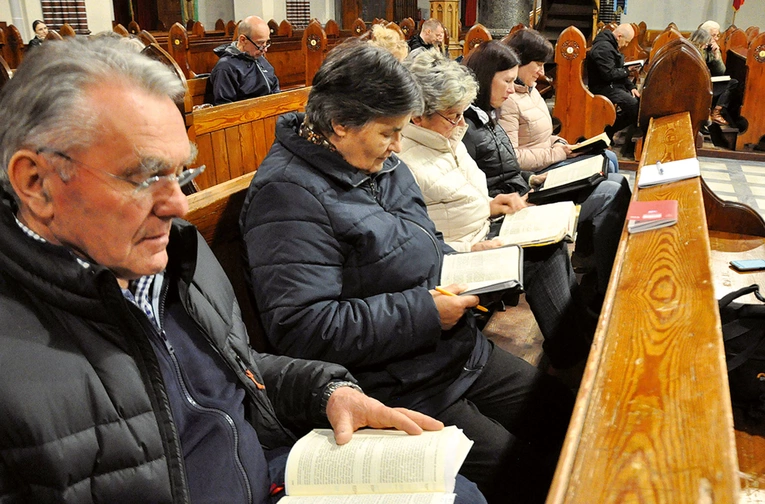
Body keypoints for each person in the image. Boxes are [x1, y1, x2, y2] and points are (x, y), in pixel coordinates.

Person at [0, 36, 483, 503]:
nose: (178, 207)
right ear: (36, 183)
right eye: (145, 176)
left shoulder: (175, 256)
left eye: (181, 175)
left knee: (456, 490)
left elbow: (232, 372)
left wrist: (326, 391)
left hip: (265, 472)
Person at [240, 40, 576, 504]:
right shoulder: (287, 195)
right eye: (388, 132)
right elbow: (302, 328)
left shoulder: (380, 163)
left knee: (571, 416)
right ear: (339, 123)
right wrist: (424, 312)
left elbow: (416, 241)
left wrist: (465, 255)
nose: (399, 146)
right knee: (531, 475)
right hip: (398, 386)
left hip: (455, 352)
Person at [399, 48, 593, 369]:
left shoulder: (447, 136)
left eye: (463, 112)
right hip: (457, 259)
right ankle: (575, 359)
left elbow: (454, 200)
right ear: (417, 114)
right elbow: (413, 240)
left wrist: (491, 205)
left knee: (551, 240)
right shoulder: (406, 160)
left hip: (483, 232)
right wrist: (470, 246)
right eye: (453, 114)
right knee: (541, 256)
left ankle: (576, 335)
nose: (462, 122)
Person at [462, 40, 631, 302]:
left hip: (527, 189)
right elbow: (479, 181)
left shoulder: (490, 114)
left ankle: (602, 276)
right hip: (513, 206)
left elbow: (505, 164)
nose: (512, 88)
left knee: (614, 179)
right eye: (507, 81)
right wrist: (545, 167)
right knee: (610, 191)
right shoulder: (468, 126)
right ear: (486, 79)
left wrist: (534, 176)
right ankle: (607, 287)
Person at [499, 29, 619, 174]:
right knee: (605, 167)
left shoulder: (531, 90)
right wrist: (558, 153)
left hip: (548, 159)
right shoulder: (507, 99)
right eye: (538, 64)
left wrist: (560, 143)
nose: (542, 72)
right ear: (519, 61)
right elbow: (512, 157)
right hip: (535, 172)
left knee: (609, 157)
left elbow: (541, 138)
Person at [208, 15, 280, 105]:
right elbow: (225, 107)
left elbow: (275, 90)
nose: (265, 50)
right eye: (260, 43)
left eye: (266, 43)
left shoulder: (259, 58)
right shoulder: (226, 67)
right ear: (243, 40)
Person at [586, 23, 640, 141]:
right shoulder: (603, 48)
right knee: (634, 106)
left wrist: (631, 87)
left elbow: (617, 71)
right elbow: (608, 74)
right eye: (626, 42)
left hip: (611, 85)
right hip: (602, 88)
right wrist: (627, 71)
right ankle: (606, 132)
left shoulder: (610, 45)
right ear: (619, 36)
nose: (625, 45)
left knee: (637, 101)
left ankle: (609, 131)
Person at [691, 25, 739, 126]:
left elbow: (721, 71)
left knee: (733, 83)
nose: (716, 39)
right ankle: (710, 113)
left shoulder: (711, 48)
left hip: (707, 81)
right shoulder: (694, 48)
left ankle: (716, 113)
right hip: (697, 84)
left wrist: (716, 55)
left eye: (717, 35)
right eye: (713, 35)